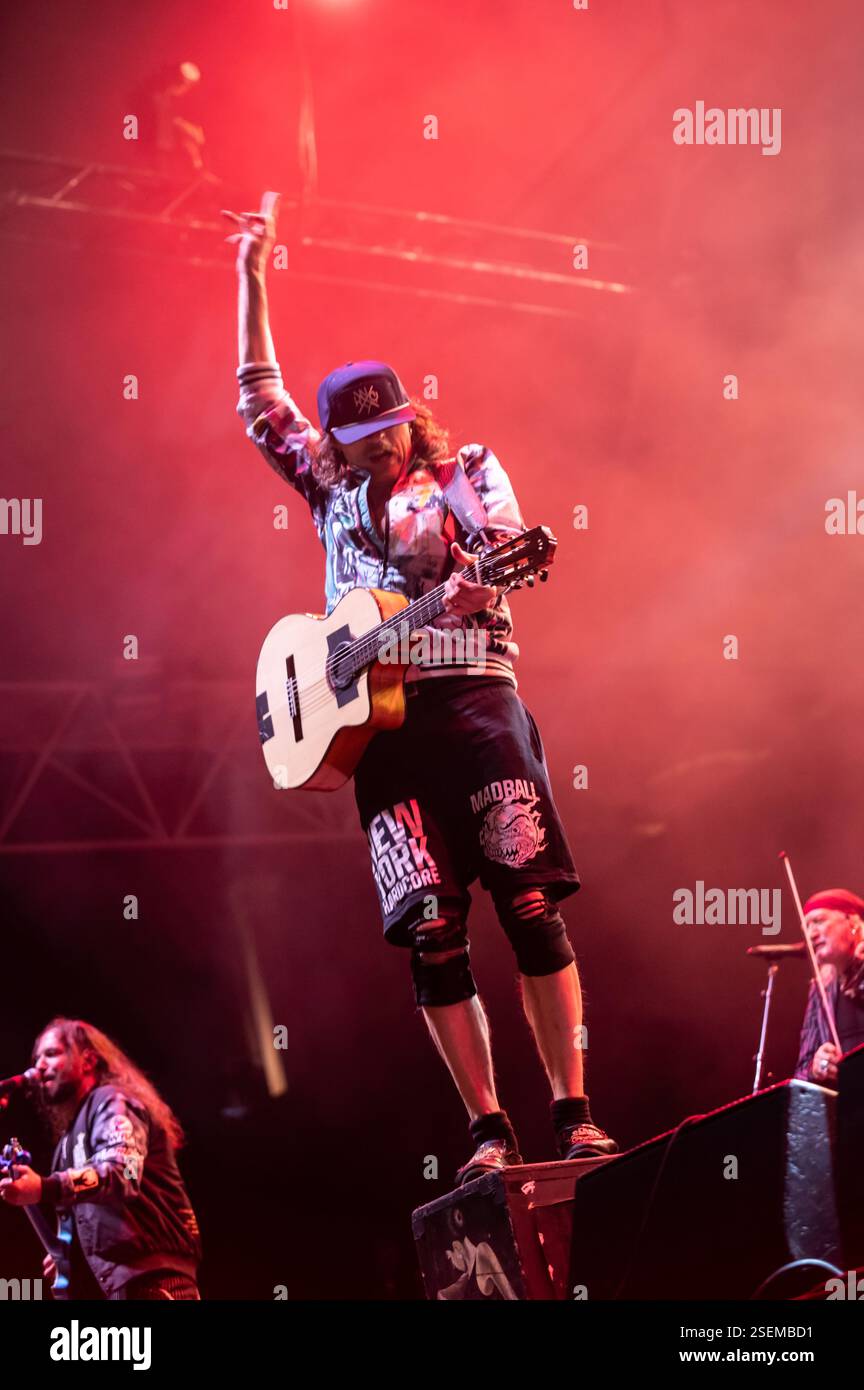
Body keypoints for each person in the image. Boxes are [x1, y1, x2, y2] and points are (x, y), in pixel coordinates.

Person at [224, 191, 618, 1185]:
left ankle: (574, 1113)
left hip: (476, 701)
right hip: (381, 731)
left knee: (529, 898)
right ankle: (488, 1130)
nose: (385, 449)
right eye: (364, 441)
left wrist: (478, 579)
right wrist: (251, 274)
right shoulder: (323, 483)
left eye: (395, 431)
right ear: (336, 443)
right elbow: (257, 397)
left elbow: (502, 549)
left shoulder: (464, 470)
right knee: (432, 929)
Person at [0, 1018, 201, 1300]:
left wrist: (45, 1187)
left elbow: (123, 1174)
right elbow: (86, 1222)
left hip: (157, 1282)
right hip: (117, 1288)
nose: (39, 1065)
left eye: (52, 1053)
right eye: (36, 1058)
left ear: (88, 1060)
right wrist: (66, 1255)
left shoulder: (114, 1101)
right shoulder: (66, 1146)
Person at [794, 889, 864, 1085]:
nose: (811, 934)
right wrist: (816, 1068)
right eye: (806, 928)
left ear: (852, 921)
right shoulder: (820, 991)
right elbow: (801, 1071)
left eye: (818, 921)